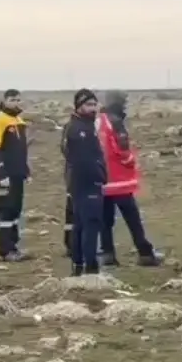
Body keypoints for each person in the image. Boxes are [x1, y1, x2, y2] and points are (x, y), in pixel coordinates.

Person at [97, 90, 163, 267]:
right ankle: (145, 253)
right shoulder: (116, 122)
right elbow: (122, 149)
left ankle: (107, 254)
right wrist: (131, 160)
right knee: (133, 218)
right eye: (124, 102)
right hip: (120, 181)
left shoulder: (99, 121)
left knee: (105, 220)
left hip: (103, 180)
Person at [62, 89, 107, 275]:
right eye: (88, 105)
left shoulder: (80, 126)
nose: (93, 108)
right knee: (90, 224)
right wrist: (99, 176)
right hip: (86, 182)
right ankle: (90, 267)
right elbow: (83, 159)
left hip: (78, 182)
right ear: (79, 106)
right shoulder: (79, 129)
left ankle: (78, 265)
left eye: (94, 104)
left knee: (80, 224)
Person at [0, 89, 31, 261]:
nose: (16, 103)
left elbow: (21, 150)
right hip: (5, 173)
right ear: (5, 101)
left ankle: (14, 246)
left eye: (18, 99)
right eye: (12, 100)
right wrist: (0, 172)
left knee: (15, 210)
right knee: (7, 209)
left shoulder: (19, 121)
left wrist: (25, 170)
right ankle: (6, 250)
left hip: (17, 172)